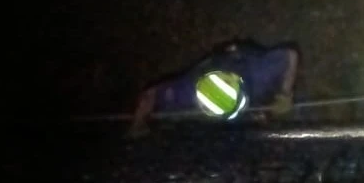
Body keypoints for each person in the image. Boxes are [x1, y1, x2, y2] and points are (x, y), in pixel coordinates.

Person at [129, 39, 300, 135]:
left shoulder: (259, 72)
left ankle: (259, 117)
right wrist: (137, 124)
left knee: (263, 116)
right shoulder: (187, 90)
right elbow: (151, 94)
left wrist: (285, 94)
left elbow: (290, 54)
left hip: (242, 58)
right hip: (213, 65)